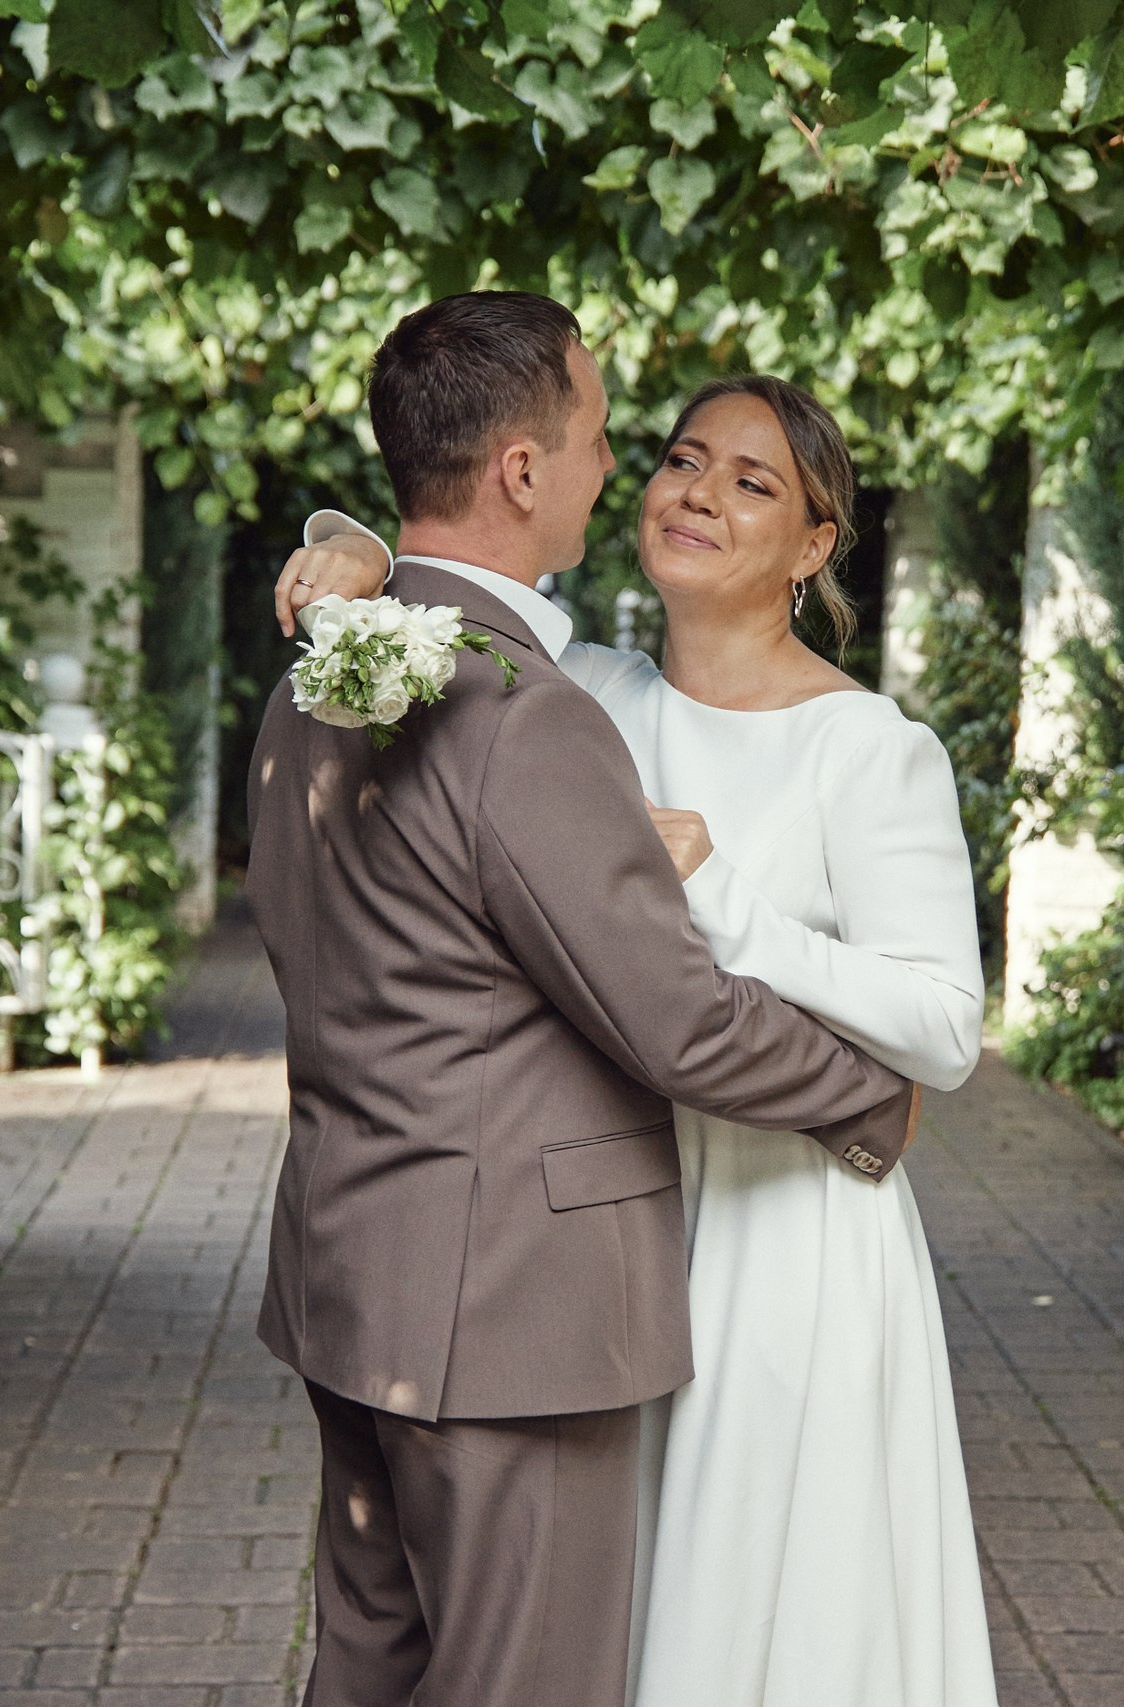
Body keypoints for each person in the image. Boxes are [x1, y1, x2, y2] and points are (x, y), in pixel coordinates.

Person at [244, 292, 926, 1707]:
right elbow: (670, 1014)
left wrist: (346, 550)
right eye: (611, 437)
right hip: (505, 1314)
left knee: (367, 1666)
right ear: (520, 471)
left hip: (350, 1272)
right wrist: (868, 1097)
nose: (621, 468)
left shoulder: (319, 672)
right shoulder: (527, 715)